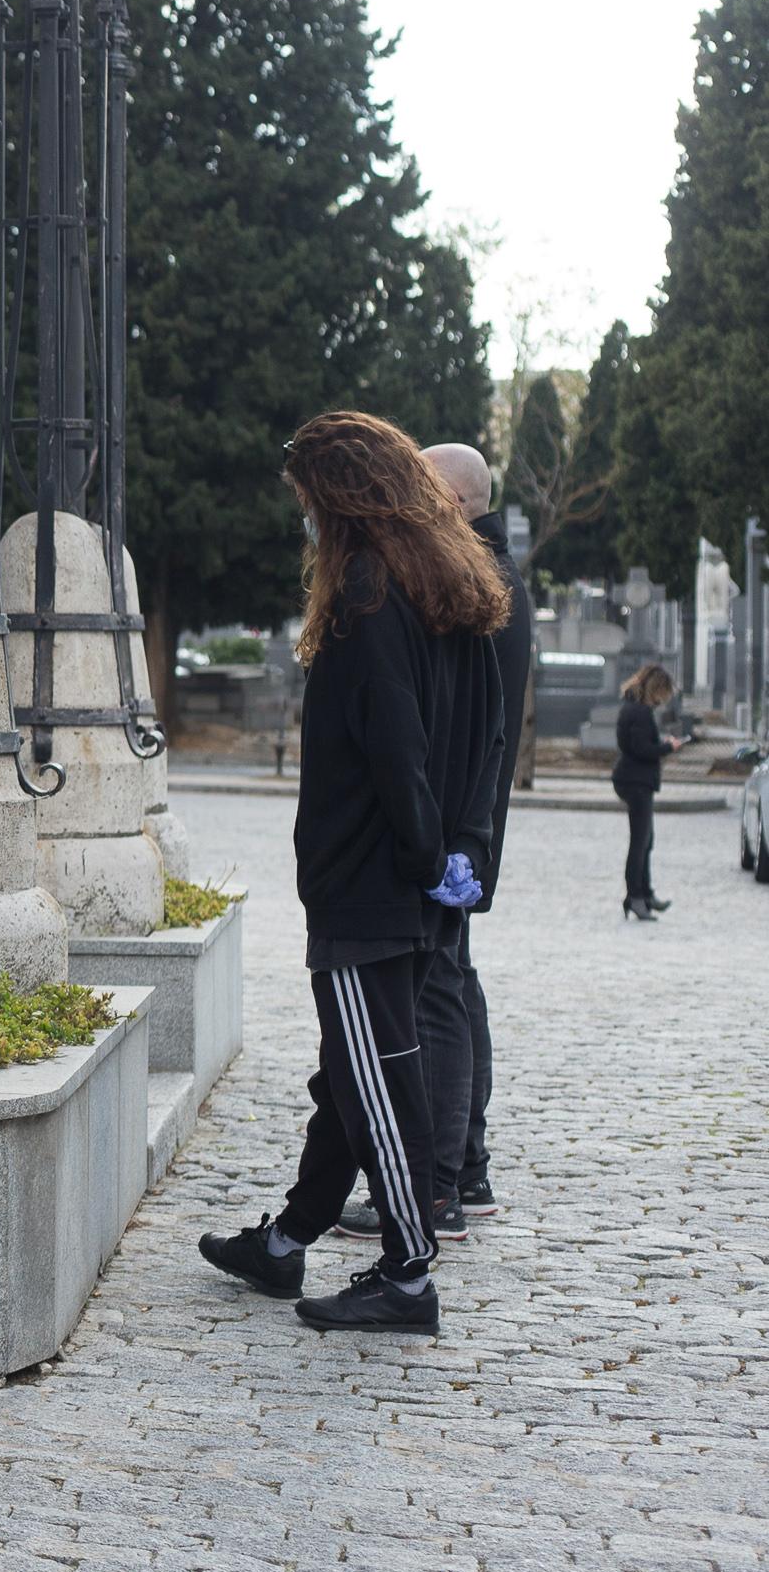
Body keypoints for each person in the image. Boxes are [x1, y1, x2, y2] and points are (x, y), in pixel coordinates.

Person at [200, 411, 505, 1332]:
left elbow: (393, 747)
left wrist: (422, 855)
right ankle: (288, 1242)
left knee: (381, 1077)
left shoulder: (371, 591)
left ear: (338, 500)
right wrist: (461, 854)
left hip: (370, 880)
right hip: (414, 876)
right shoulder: (440, 580)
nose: (304, 522)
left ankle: (408, 1272)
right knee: (351, 1072)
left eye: (306, 503)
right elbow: (487, 738)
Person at [337, 443, 527, 1246]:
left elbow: (474, 730)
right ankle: (463, 1167)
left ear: (451, 498)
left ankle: (438, 1186)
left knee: (440, 993)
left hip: (450, 836)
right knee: (453, 985)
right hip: (457, 832)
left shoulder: (477, 582)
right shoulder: (478, 574)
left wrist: (449, 847)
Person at [614, 663, 689, 919]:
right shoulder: (639, 712)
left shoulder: (635, 708)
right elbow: (641, 749)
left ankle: (644, 893)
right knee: (639, 843)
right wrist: (668, 747)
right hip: (636, 781)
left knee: (646, 841)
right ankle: (635, 896)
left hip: (637, 780)